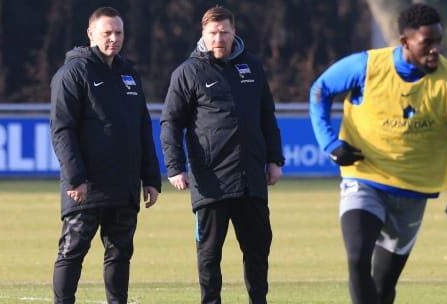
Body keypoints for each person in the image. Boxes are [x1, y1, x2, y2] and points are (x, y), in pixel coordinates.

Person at [309, 3, 447, 304]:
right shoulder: (367, 66)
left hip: (413, 192)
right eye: (427, 43)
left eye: (438, 42)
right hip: (365, 178)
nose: (435, 50)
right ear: (404, 42)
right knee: (357, 258)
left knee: (384, 283)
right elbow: (320, 90)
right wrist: (330, 143)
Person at [160, 6, 285, 304]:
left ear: (233, 33)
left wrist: (274, 159)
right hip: (211, 181)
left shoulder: (252, 67)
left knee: (258, 249)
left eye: (224, 32)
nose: (219, 39)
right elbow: (171, 123)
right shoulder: (188, 72)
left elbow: (267, 115)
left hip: (251, 179)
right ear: (203, 35)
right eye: (213, 33)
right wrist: (175, 166)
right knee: (209, 254)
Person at [49, 7, 162, 304]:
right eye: (107, 32)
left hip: (123, 185)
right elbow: (62, 130)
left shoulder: (129, 74)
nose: (113, 38)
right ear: (90, 34)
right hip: (86, 187)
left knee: (120, 253)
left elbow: (142, 128)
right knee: (72, 250)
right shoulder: (73, 73)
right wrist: (76, 178)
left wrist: (150, 178)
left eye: (118, 33)